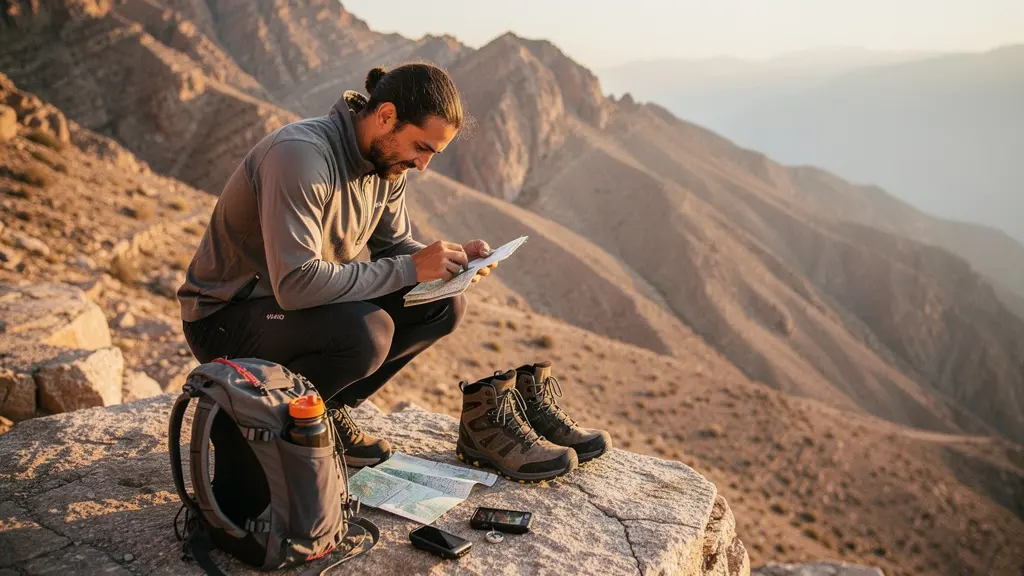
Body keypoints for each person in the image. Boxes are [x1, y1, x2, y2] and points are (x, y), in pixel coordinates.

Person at [177, 63, 492, 467]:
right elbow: (297, 284)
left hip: (293, 310)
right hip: (225, 316)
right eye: (421, 148)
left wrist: (452, 262)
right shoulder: (301, 155)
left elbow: (394, 246)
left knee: (441, 304)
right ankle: (257, 432)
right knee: (366, 333)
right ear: (386, 117)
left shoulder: (386, 163)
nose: (422, 165)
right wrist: (413, 268)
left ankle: (322, 408)